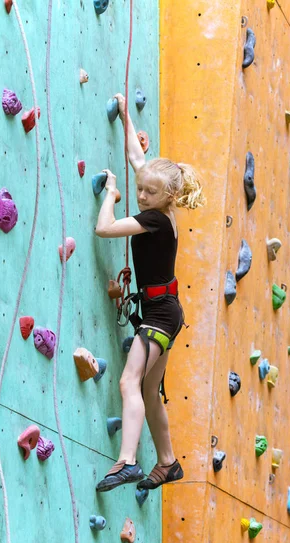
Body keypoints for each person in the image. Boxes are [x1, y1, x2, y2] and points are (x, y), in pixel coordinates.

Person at [95, 93, 205, 492]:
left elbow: (104, 229)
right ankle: (168, 462)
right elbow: (137, 161)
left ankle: (127, 461)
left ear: (167, 198)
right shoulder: (163, 203)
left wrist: (111, 195)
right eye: (138, 191)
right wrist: (127, 117)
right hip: (164, 310)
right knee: (149, 391)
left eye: (148, 194)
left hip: (159, 315)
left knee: (129, 381)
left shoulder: (155, 220)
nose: (141, 197)